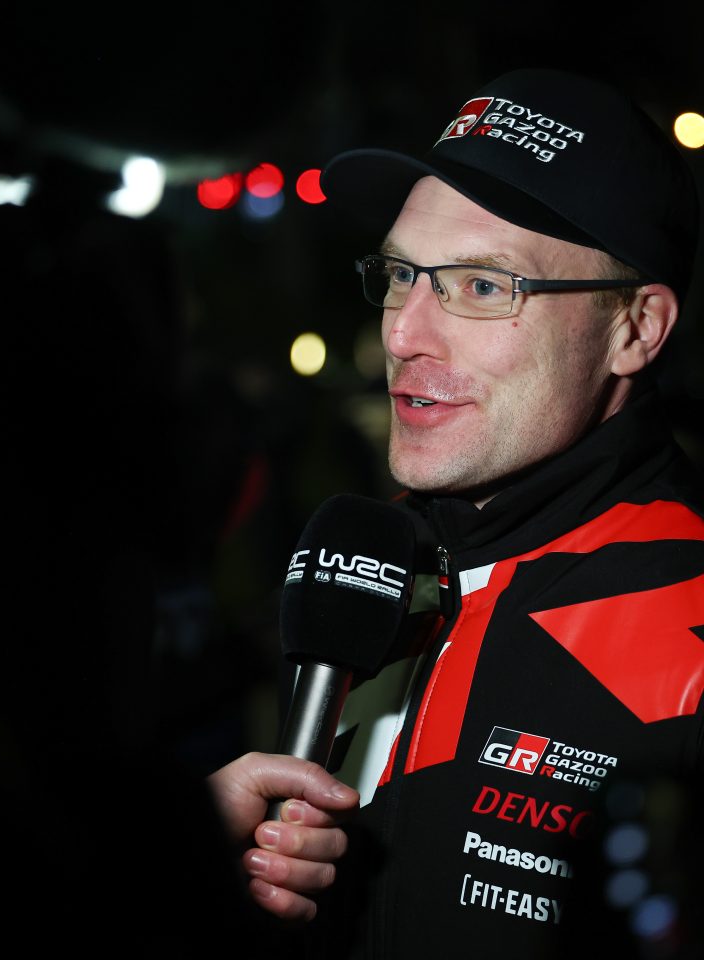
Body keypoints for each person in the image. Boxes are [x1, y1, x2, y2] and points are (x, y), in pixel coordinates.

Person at [208, 67, 704, 958]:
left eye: (481, 287)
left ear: (635, 329)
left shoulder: (688, 612)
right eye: (402, 273)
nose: (402, 333)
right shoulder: (362, 565)